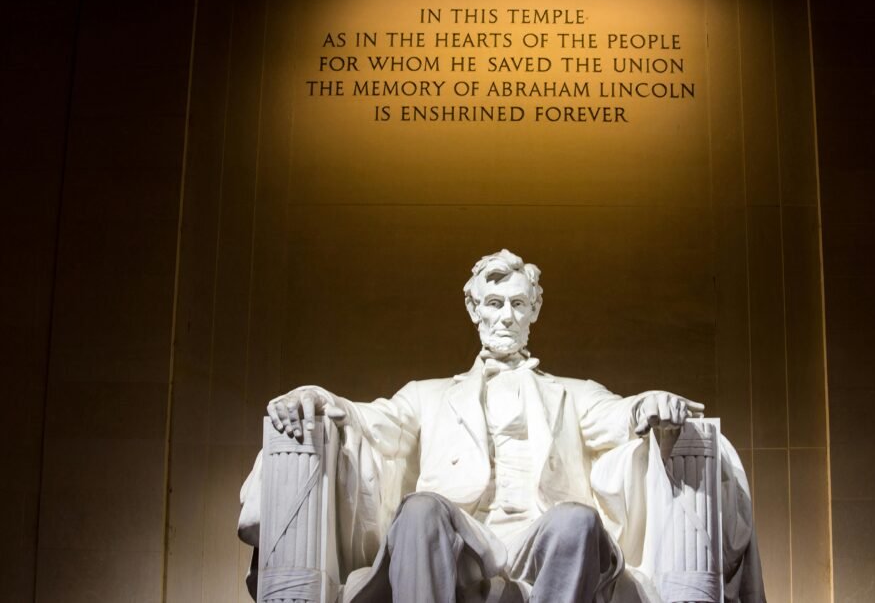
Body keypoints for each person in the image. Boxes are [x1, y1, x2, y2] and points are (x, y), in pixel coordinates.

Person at [240, 250, 764, 602]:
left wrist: (648, 403)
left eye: (518, 304)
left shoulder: (574, 393)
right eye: (494, 304)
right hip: (458, 540)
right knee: (419, 510)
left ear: (534, 309)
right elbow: (371, 420)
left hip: (542, 537)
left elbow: (618, 417)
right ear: (474, 309)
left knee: (578, 520)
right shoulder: (427, 395)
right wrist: (318, 396)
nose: (506, 316)